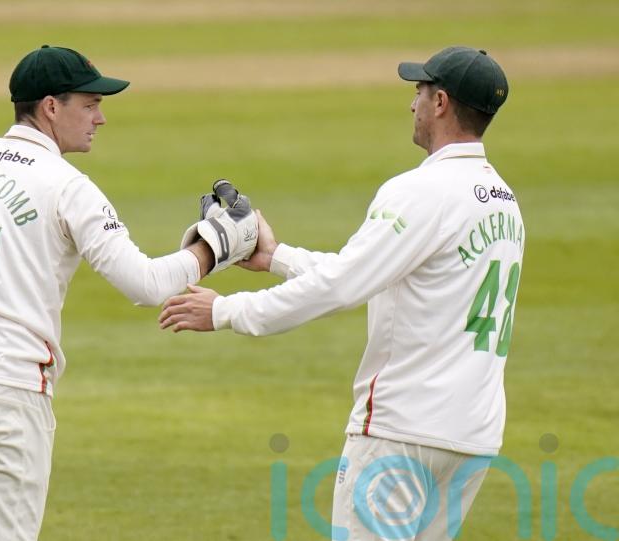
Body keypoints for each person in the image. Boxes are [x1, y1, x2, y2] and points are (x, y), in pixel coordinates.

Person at [0, 45, 257, 541]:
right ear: (51, 107)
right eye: (90, 103)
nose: (100, 118)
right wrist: (215, 246)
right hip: (3, 394)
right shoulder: (66, 185)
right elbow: (144, 284)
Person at [159, 46, 524, 540]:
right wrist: (277, 258)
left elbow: (345, 284)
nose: (411, 104)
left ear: (440, 102)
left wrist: (225, 310)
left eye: (418, 92)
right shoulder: (504, 202)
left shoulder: (420, 190)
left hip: (402, 430)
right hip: (470, 437)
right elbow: (379, 274)